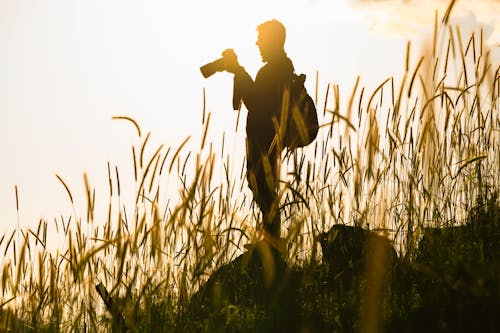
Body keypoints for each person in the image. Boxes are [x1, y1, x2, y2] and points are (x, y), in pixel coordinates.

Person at [224, 19, 296, 245]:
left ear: (272, 41)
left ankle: (272, 242)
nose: (257, 44)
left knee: (263, 185)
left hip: (266, 139)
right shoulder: (280, 67)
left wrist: (239, 71)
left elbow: (257, 102)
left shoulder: (274, 70)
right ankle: (270, 238)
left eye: (262, 39)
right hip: (264, 138)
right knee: (262, 185)